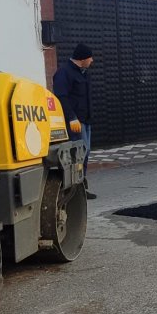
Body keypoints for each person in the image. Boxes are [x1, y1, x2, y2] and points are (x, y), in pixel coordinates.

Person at [53, 43, 96, 200]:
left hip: (85, 120)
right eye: (89, 57)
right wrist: (71, 117)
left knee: (85, 153)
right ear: (82, 58)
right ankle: (72, 188)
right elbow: (61, 97)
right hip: (74, 122)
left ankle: (81, 186)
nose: (92, 60)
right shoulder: (64, 73)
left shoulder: (83, 73)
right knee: (77, 155)